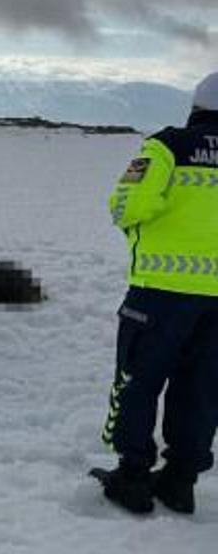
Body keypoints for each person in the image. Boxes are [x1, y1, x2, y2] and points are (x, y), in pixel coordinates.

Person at [92, 71, 218, 516]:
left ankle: (132, 477)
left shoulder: (169, 145)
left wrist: (140, 233)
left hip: (160, 291)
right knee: (202, 389)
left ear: (197, 107)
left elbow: (127, 203)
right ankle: (180, 481)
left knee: (138, 381)